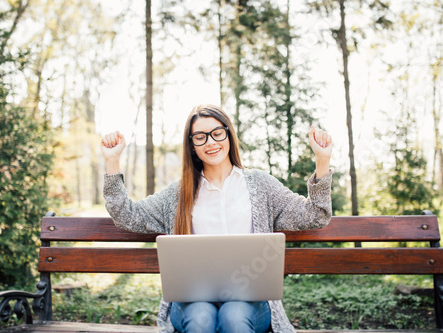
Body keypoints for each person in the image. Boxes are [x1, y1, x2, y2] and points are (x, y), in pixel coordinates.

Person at [102, 104, 333, 333]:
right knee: (201, 315)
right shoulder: (177, 194)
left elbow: (315, 215)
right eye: (200, 137)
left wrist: (322, 160)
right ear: (192, 145)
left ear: (228, 134)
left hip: (250, 304)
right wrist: (112, 161)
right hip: (191, 303)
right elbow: (127, 216)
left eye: (217, 133)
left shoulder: (261, 185)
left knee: (233, 314)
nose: (211, 142)